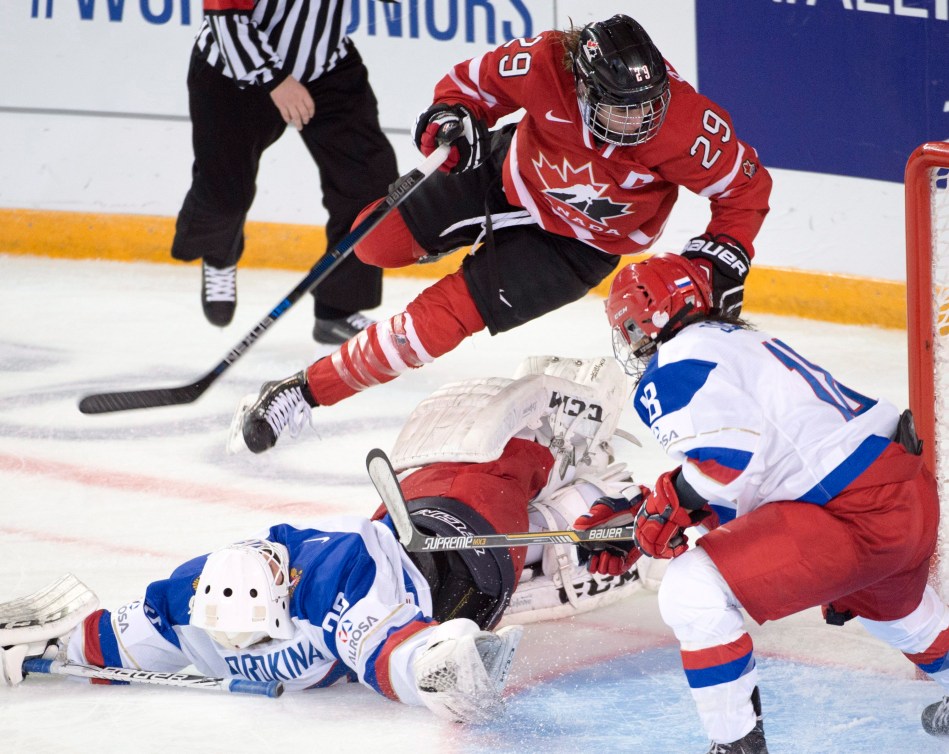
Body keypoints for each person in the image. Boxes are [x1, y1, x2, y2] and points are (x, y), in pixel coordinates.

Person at [232, 12, 773, 454]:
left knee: (434, 325)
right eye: (622, 109)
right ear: (583, 86)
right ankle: (439, 238)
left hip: (575, 249)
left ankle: (303, 392)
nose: (640, 121)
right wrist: (453, 118)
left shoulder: (687, 125)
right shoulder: (545, 62)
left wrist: (725, 253)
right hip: (504, 179)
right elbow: (468, 85)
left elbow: (745, 191)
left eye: (648, 106)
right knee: (374, 241)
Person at [1, 355, 648, 719]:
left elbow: (396, 655)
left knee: (476, 481)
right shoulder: (188, 599)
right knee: (506, 512)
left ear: (285, 588)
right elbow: (117, 639)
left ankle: (552, 471)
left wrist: (435, 669)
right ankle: (578, 506)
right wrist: (53, 648)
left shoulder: (334, 584)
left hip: (424, 546)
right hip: (464, 587)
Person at [572, 253, 949, 752]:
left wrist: (669, 507)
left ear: (646, 319)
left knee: (692, 589)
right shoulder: (740, 341)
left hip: (852, 516)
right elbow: (760, 466)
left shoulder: (675, 363)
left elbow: (729, 460)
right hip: (901, 497)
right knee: (900, 618)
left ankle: (735, 745)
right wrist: (658, 510)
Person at [170, 0, 398, 343]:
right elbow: (225, 18)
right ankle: (219, 254)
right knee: (226, 195)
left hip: (326, 67)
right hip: (235, 73)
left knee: (368, 185)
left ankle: (337, 308)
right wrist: (275, 80)